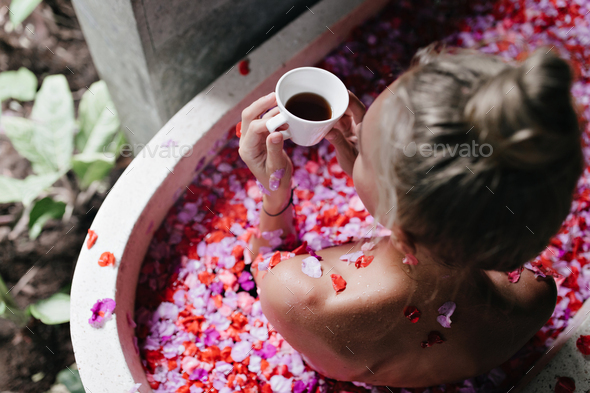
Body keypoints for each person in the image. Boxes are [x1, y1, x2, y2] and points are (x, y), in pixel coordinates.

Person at [237, 46, 583, 388]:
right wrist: (387, 174)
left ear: (403, 233)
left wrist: (275, 193)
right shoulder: (534, 297)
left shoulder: (302, 296)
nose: (357, 143)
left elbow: (264, 262)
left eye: (366, 157)